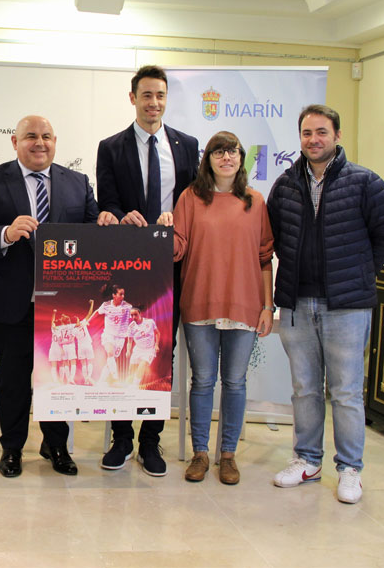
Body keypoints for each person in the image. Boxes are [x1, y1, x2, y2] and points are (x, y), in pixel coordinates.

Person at [0, 114, 116, 478]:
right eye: (30, 136)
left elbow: (93, 230)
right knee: (13, 378)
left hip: (62, 307)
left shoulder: (77, 182)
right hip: (8, 300)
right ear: (14, 142)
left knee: (60, 375)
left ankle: (56, 445)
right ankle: (12, 448)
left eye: (46, 136)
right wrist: (5, 233)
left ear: (55, 141)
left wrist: (105, 225)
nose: (39, 143)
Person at [268, 105, 384, 504]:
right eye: (307, 133)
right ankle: (307, 460)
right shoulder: (285, 185)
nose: (313, 140)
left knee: (344, 392)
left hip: (347, 307)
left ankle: (350, 468)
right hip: (296, 302)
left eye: (321, 132)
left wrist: (358, 276)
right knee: (304, 389)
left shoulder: (365, 183)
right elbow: (272, 236)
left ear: (337, 135)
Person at [95, 64, 199, 475]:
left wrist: (177, 217)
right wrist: (122, 216)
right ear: (133, 98)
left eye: (160, 95)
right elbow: (106, 202)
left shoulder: (187, 145)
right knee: (120, 347)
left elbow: (195, 200)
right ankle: (121, 438)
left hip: (171, 266)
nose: (153, 103)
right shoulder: (111, 146)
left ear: (166, 99)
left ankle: (151, 441)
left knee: (160, 352)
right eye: (146, 95)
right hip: (127, 265)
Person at [156, 131, 274, 485]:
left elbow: (265, 257)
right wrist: (164, 231)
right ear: (207, 159)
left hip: (245, 304)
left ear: (241, 158)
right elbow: (176, 250)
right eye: (219, 151)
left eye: (233, 151)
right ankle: (201, 453)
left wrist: (267, 306)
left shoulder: (255, 201)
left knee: (235, 383)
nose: (227, 157)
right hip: (200, 302)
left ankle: (228, 455)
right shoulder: (191, 198)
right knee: (203, 382)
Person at [89, 284, 134, 388]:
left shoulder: (127, 306)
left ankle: (100, 382)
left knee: (111, 360)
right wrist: (88, 321)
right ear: (114, 295)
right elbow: (96, 312)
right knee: (110, 353)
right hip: (108, 335)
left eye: (123, 294)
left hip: (121, 337)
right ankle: (115, 378)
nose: (123, 296)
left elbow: (134, 318)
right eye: (120, 294)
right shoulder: (106, 305)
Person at [125, 308, 160, 388]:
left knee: (142, 365)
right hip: (138, 350)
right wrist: (128, 351)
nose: (133, 317)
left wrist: (156, 344)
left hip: (149, 350)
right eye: (132, 315)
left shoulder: (150, 322)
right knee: (131, 371)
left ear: (140, 314)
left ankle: (135, 386)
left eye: (135, 314)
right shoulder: (131, 327)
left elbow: (157, 333)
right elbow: (129, 341)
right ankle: (128, 387)